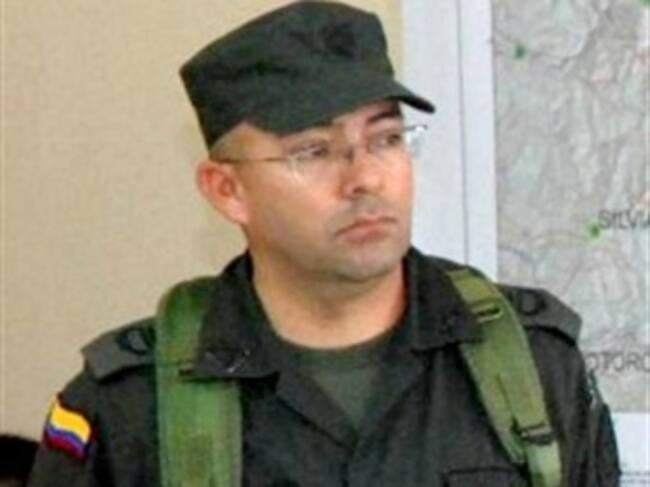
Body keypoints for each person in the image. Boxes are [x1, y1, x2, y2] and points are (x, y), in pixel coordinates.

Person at [28, 2, 620, 486]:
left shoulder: (533, 366)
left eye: (386, 139)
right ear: (228, 190)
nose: (364, 178)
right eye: (312, 151)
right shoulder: (131, 406)